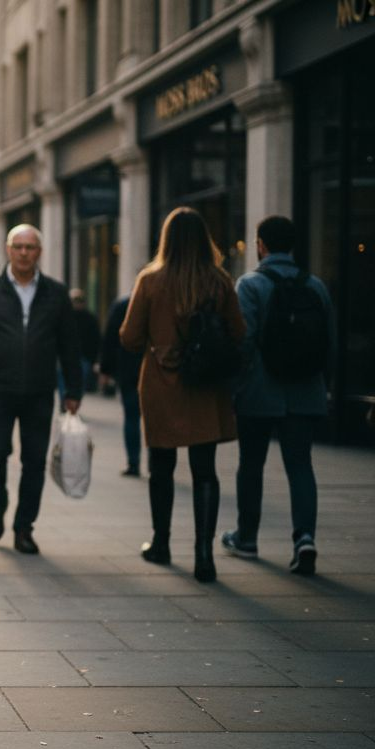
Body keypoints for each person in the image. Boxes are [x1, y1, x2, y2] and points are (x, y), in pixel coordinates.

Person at [120, 207, 245, 583]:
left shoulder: (150, 280)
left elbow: (129, 338)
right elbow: (238, 333)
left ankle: (161, 544)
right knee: (204, 470)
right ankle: (204, 556)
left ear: (167, 240)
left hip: (162, 383)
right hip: (206, 386)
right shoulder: (220, 281)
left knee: (162, 467)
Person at [0, 224, 82, 555]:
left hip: (41, 391)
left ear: (39, 252)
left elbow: (69, 346)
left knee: (34, 461)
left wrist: (74, 391)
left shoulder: (56, 294)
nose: (24, 252)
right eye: (19, 246)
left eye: (31, 247)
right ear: (8, 250)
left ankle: (24, 527)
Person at [223, 216, 335, 575]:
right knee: (300, 465)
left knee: (251, 464)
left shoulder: (250, 284)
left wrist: (235, 388)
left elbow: (242, 340)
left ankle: (247, 537)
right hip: (305, 391)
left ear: (260, 245)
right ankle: (304, 538)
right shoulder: (315, 286)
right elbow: (329, 341)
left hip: (260, 391)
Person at [99, 294, 144, 477]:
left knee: (131, 417)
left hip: (128, 370)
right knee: (153, 419)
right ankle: (156, 461)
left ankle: (134, 463)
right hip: (153, 370)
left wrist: (106, 370)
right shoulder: (162, 301)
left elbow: (110, 338)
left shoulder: (122, 306)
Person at [69, 289, 102, 394]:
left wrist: (95, 358)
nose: (76, 304)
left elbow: (96, 339)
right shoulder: (65, 318)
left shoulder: (90, 318)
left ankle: (73, 400)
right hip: (70, 355)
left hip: (84, 356)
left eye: (79, 301)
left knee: (79, 382)